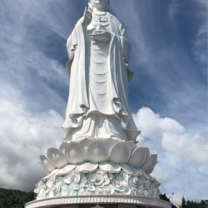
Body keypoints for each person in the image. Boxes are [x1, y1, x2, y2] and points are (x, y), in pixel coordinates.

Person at [62, 0, 140, 142]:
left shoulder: (115, 21)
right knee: (86, 101)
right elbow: (70, 45)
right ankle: (82, 132)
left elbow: (127, 46)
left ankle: (114, 132)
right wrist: (82, 26)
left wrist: (111, 38)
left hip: (110, 69)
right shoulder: (83, 19)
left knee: (110, 99)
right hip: (87, 68)